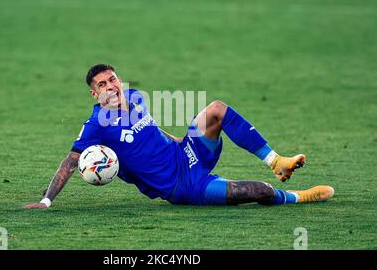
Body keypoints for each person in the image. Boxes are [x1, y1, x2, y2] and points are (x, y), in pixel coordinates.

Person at [24, 64, 334, 209]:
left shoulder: (135, 96)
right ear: (95, 93)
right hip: (182, 186)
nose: (111, 86)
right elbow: (70, 162)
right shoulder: (96, 125)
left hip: (186, 152)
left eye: (113, 78)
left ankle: (276, 161)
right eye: (103, 84)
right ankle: (295, 197)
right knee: (260, 191)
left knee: (216, 109)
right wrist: (46, 200)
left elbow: (153, 130)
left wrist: (177, 141)